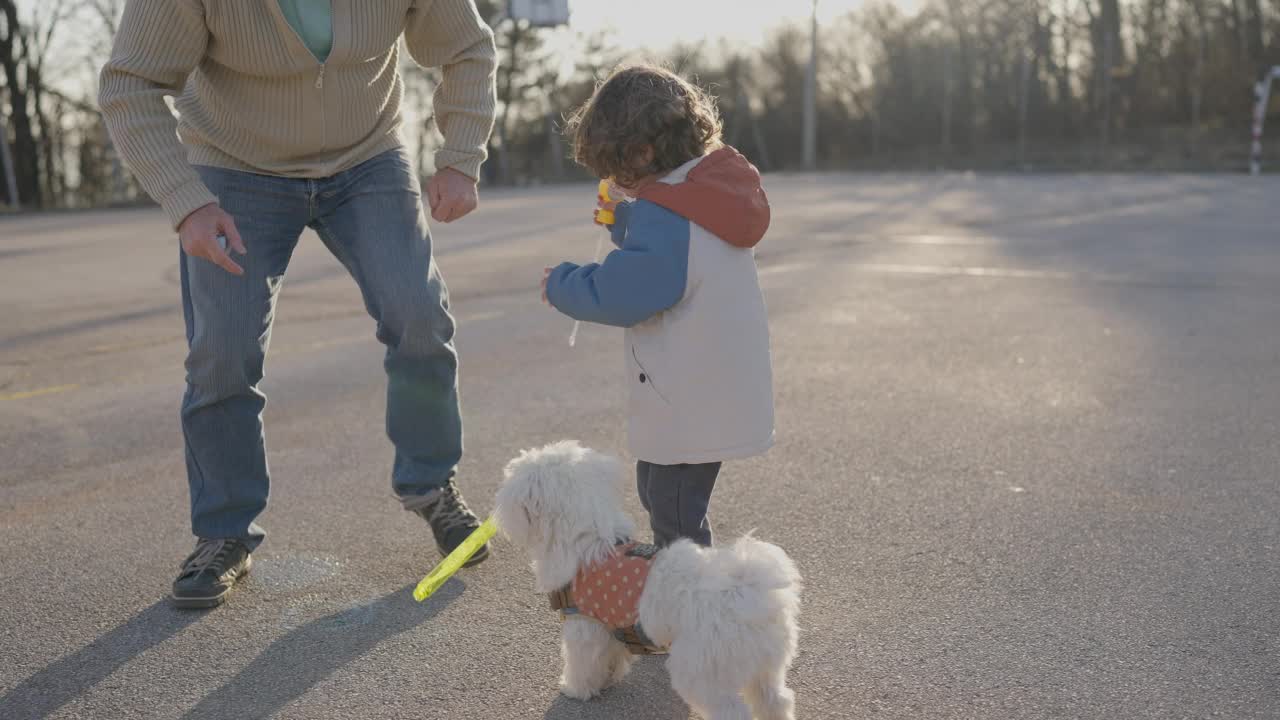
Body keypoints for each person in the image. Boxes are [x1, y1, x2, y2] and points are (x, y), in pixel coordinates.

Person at [98, 0, 498, 609]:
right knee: (223, 354)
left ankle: (431, 485)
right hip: (235, 168)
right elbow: (131, 83)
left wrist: (461, 156)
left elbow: (466, 48)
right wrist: (187, 201)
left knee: (418, 316)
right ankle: (223, 533)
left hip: (367, 158)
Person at [542, 64, 775, 548]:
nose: (615, 180)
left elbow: (627, 293)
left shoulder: (667, 212)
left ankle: (690, 605)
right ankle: (683, 588)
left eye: (617, 168)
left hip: (688, 395)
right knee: (661, 491)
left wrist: (563, 284)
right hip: (712, 386)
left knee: (674, 513)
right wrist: (626, 220)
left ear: (643, 152)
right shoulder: (708, 191)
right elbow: (679, 252)